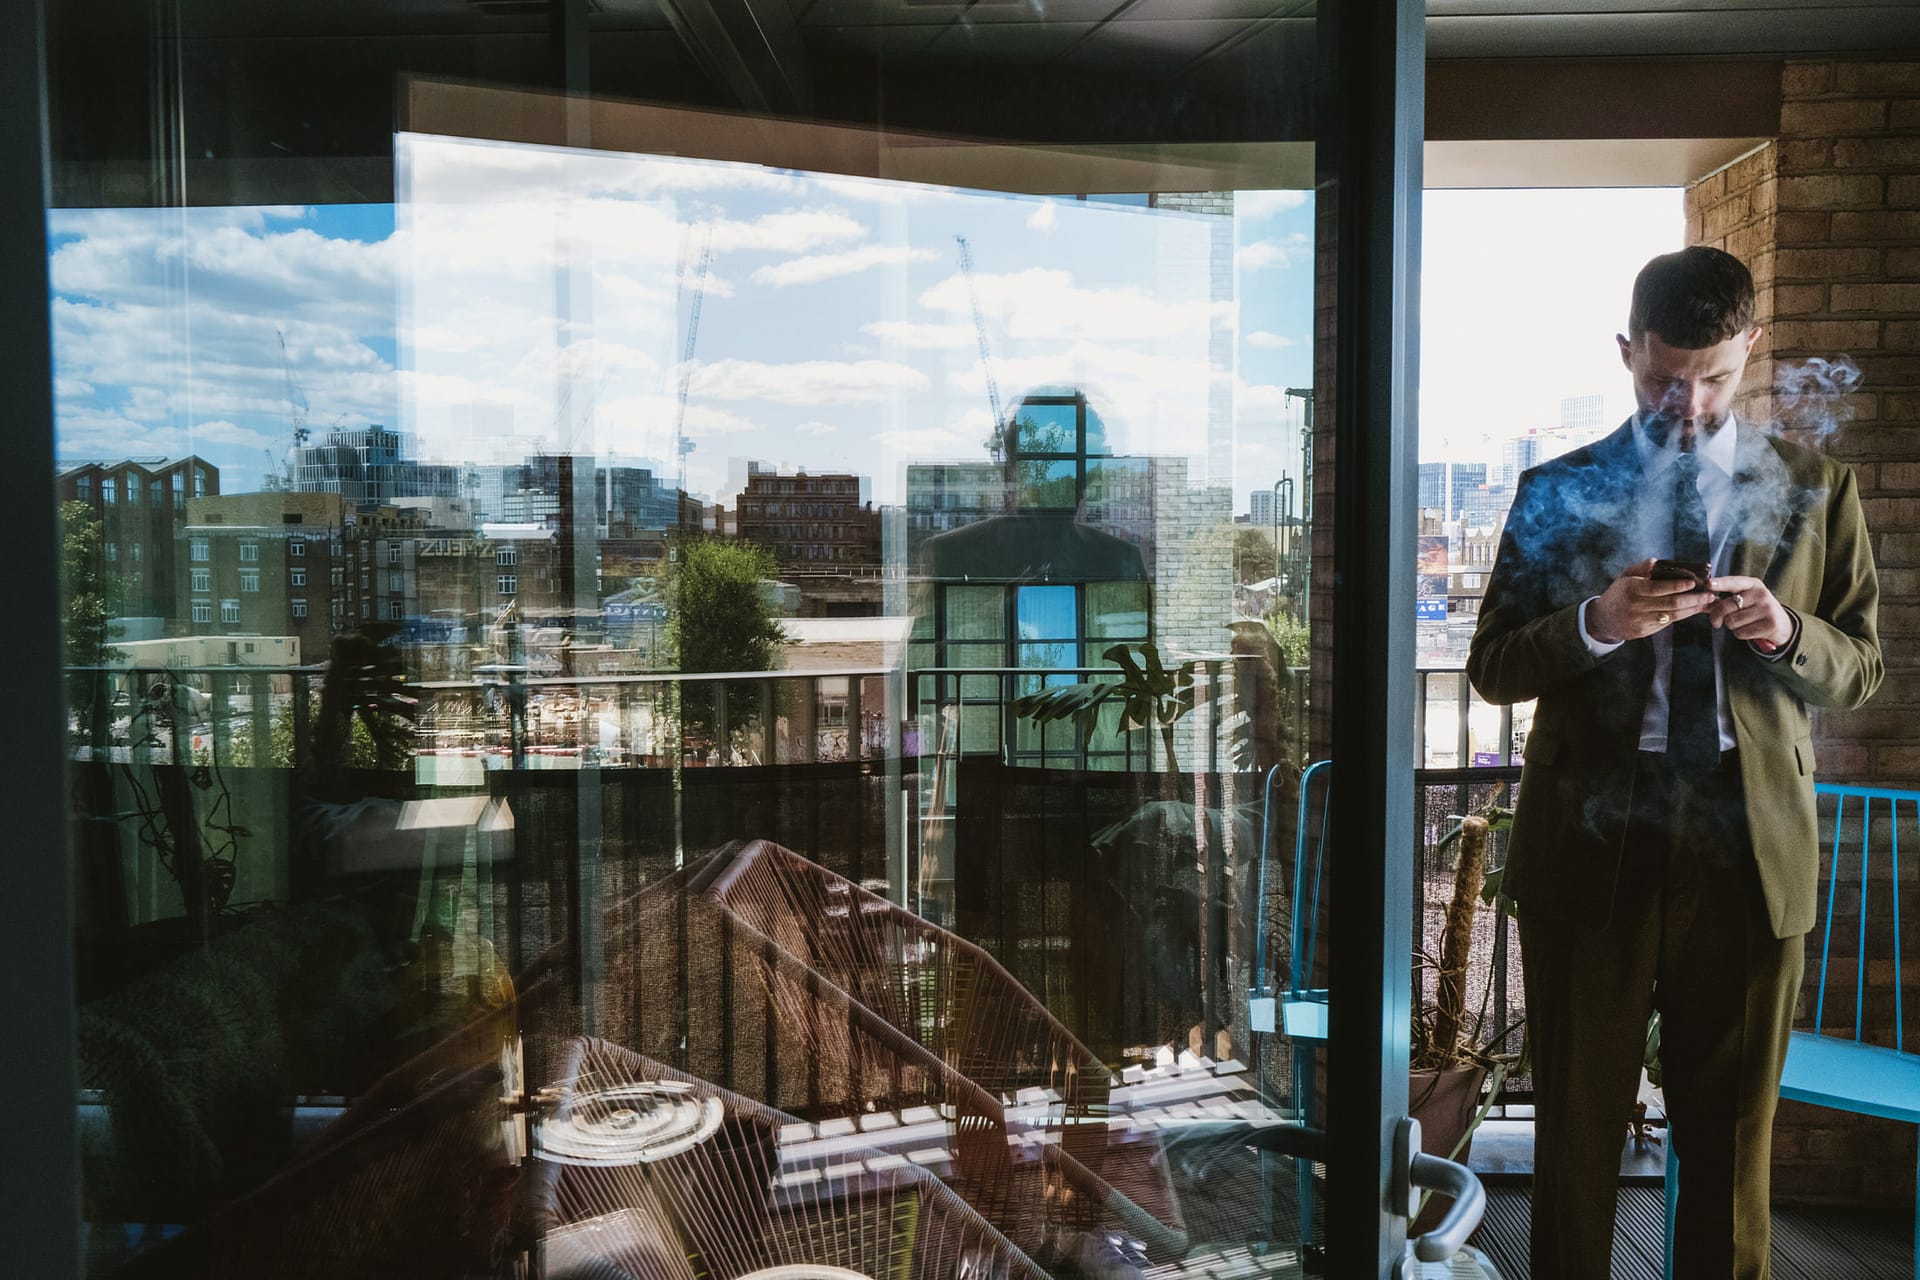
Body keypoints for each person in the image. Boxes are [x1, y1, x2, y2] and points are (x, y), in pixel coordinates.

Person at [1467, 246, 1882, 1279]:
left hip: (1749, 849)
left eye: (1714, 376)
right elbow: (1491, 667)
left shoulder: (1820, 489)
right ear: (1626, 353)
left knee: (1734, 1144)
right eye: (1663, 377)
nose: (1688, 402)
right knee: (1573, 1135)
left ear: (1748, 349)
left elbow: (1862, 669)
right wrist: (1596, 623)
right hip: (1592, 842)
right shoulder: (1557, 488)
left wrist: (1788, 631)